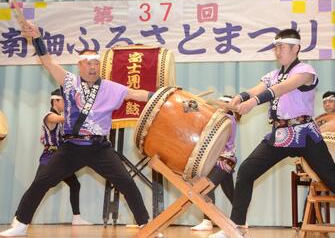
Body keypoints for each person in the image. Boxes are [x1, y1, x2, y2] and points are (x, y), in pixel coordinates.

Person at [208, 29, 335, 238]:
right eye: (276, 47)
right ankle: (235, 229)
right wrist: (239, 97)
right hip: (280, 135)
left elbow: (281, 89)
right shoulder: (274, 74)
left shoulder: (306, 71)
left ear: (295, 48)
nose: (277, 51)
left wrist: (253, 102)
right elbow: (257, 88)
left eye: (281, 47)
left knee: (334, 180)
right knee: (246, 171)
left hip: (305, 134)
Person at [0, 21, 157, 237]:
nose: (93, 67)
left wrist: (162, 95)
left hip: (99, 147)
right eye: (88, 63)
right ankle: (21, 224)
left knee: (126, 182)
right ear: (80, 66)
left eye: (95, 63)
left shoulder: (112, 88)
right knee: (42, 181)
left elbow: (136, 94)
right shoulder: (69, 81)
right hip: (71, 147)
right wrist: (37, 38)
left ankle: (145, 224)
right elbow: (47, 62)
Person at [12, 89, 92, 226]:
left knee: (75, 184)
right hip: (50, 157)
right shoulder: (49, 116)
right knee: (37, 187)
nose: (66, 104)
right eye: (64, 101)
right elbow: (59, 119)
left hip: (61, 158)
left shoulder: (61, 118)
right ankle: (18, 217)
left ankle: (76, 218)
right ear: (55, 101)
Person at [191, 96, 238, 231]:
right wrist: (191, 105)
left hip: (223, 159)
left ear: (228, 106)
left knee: (206, 188)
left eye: (221, 103)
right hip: (220, 160)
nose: (217, 106)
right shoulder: (223, 117)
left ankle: (207, 221)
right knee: (230, 192)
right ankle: (241, 218)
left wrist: (197, 107)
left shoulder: (228, 119)